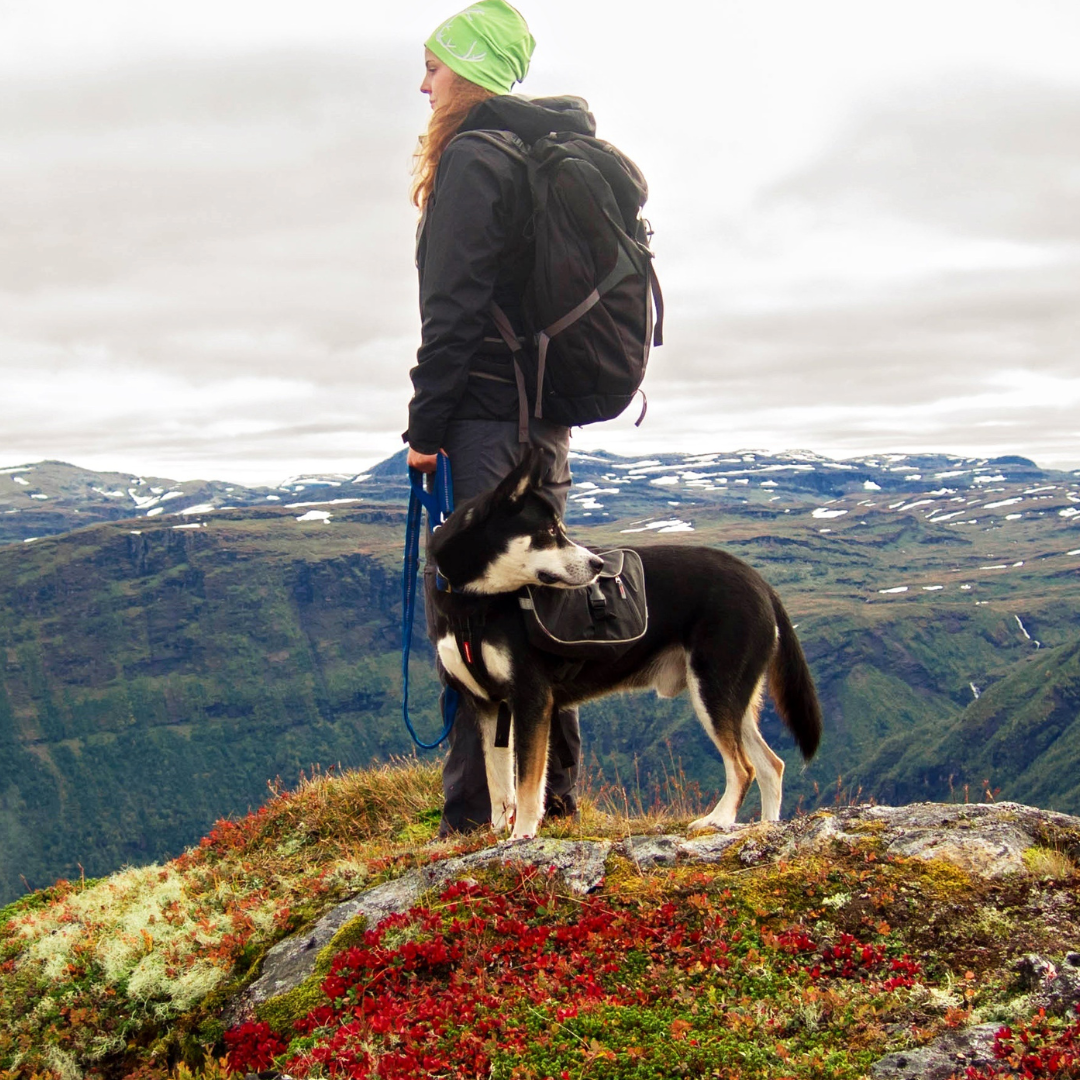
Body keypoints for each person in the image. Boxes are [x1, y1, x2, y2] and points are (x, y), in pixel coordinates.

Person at [405, 1, 592, 836]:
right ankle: (551, 799)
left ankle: (473, 816)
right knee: (540, 600)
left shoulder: (475, 158)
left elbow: (453, 310)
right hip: (541, 419)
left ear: (470, 73)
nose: (424, 82)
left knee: (475, 609)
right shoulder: (528, 155)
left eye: (435, 67)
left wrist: (424, 426)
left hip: (486, 417)